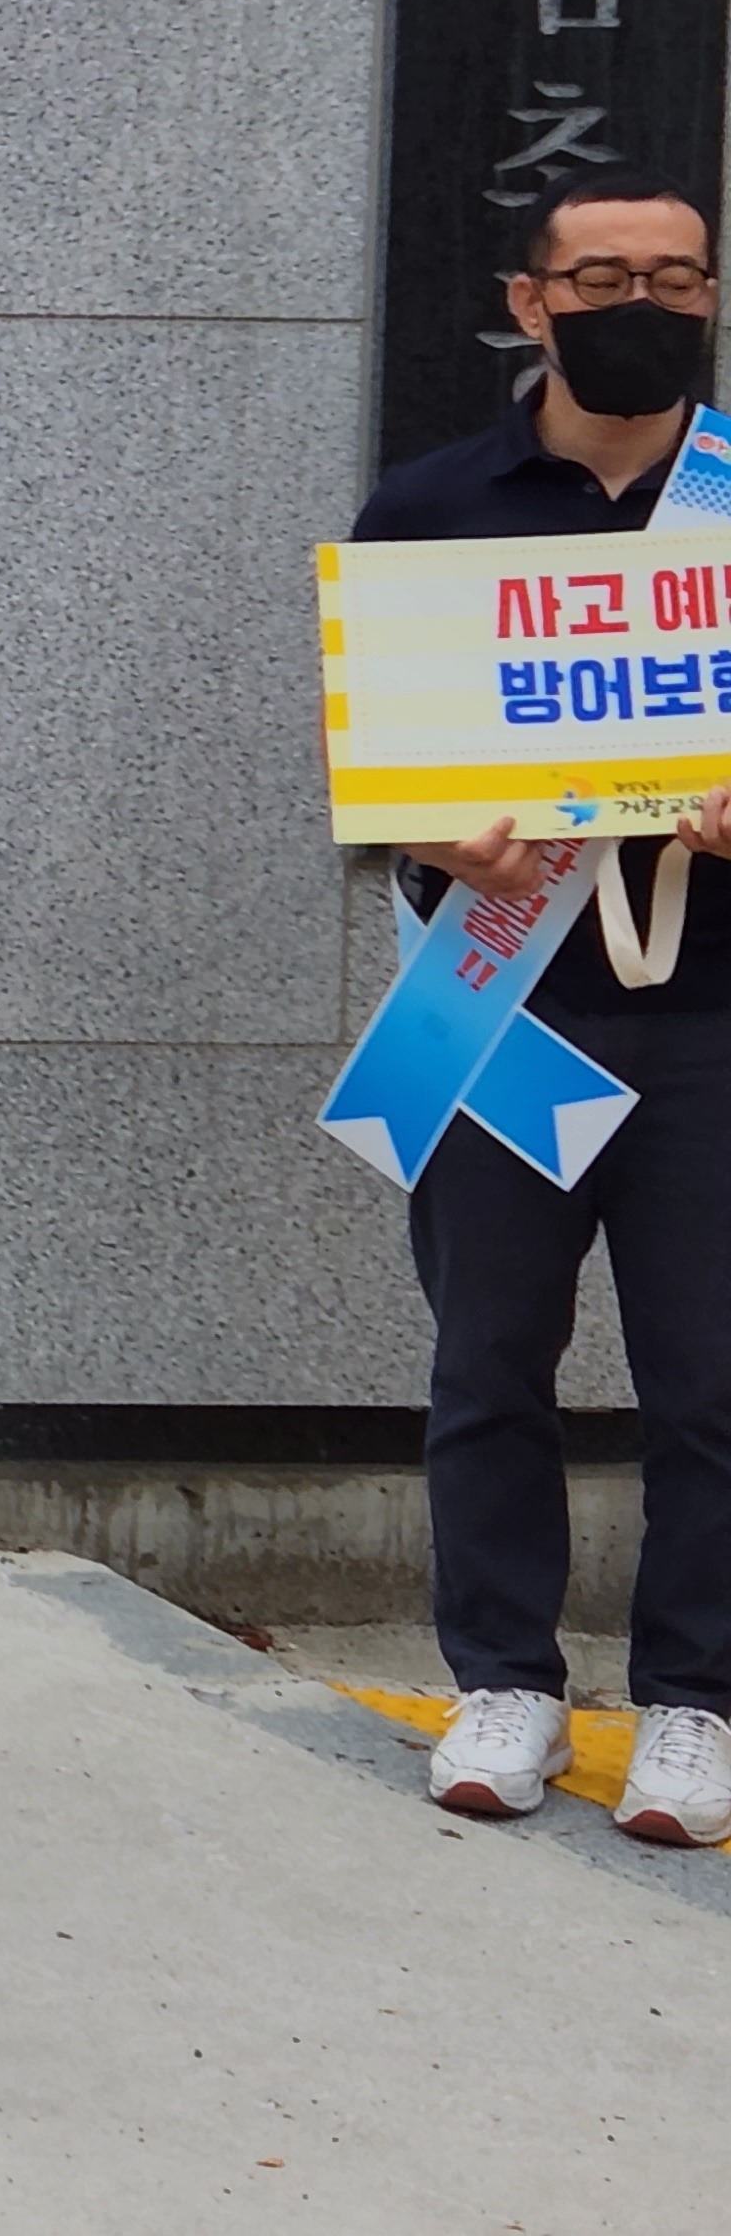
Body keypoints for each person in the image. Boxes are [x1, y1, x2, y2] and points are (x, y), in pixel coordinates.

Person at [353, 164, 731, 1851]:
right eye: (602, 279)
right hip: (496, 1006)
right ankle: (502, 1674)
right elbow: (377, 782)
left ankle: (695, 1703)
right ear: (531, 303)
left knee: (710, 1384)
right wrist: (428, 832)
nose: (641, 305)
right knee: (490, 1359)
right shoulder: (431, 511)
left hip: (716, 1010)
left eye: (677, 277)